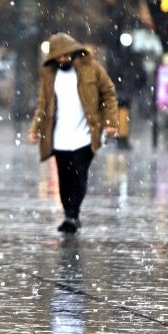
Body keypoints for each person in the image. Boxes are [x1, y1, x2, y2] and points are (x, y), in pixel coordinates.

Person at [27, 33, 118, 234]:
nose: (63, 59)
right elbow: (43, 104)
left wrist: (111, 122)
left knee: (79, 176)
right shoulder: (49, 75)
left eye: (66, 55)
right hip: (59, 137)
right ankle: (69, 212)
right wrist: (34, 129)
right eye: (58, 56)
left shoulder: (92, 69)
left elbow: (108, 93)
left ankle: (72, 215)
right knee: (64, 179)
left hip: (86, 135)